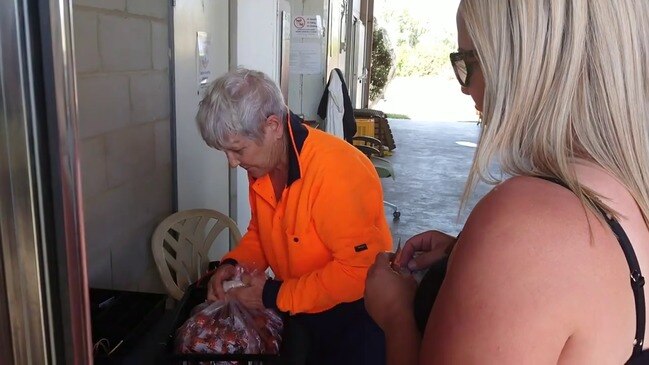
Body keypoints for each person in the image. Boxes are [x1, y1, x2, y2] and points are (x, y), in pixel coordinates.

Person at [364, 0, 649, 364]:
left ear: (526, 63)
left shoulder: (528, 226)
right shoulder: (626, 192)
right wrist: (464, 260)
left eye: (469, 61)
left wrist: (396, 315)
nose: (465, 88)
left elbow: (541, 267)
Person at [195, 68, 391, 364]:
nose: (232, 163)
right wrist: (234, 264)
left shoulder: (337, 172)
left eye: (237, 150)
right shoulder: (263, 165)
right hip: (299, 306)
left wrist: (273, 295)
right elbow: (263, 232)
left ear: (273, 126)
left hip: (354, 318)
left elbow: (358, 271)